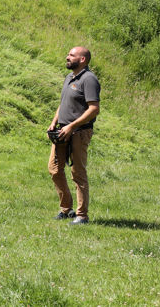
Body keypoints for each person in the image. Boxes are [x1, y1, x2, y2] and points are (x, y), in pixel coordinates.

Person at [47, 46, 100, 225]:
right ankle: (66, 209)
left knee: (78, 173)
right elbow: (63, 103)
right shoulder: (69, 77)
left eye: (71, 55)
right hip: (62, 130)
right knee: (54, 169)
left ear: (82, 59)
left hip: (80, 132)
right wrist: (54, 121)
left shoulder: (89, 79)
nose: (67, 57)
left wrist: (71, 126)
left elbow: (94, 108)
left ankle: (82, 216)